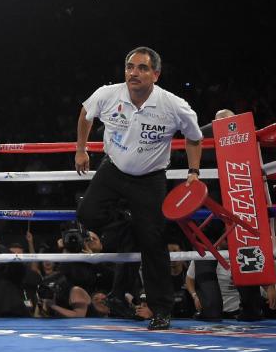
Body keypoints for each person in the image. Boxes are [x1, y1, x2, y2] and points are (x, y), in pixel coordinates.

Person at [75, 46, 202, 330]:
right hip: (113, 169)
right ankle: (130, 221)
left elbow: (194, 138)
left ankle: (162, 311)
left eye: (142, 68)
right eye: (130, 67)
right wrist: (81, 150)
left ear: (155, 74)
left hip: (150, 178)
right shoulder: (108, 94)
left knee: (153, 244)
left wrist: (193, 172)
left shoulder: (173, 105)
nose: (134, 73)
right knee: (87, 215)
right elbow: (85, 113)